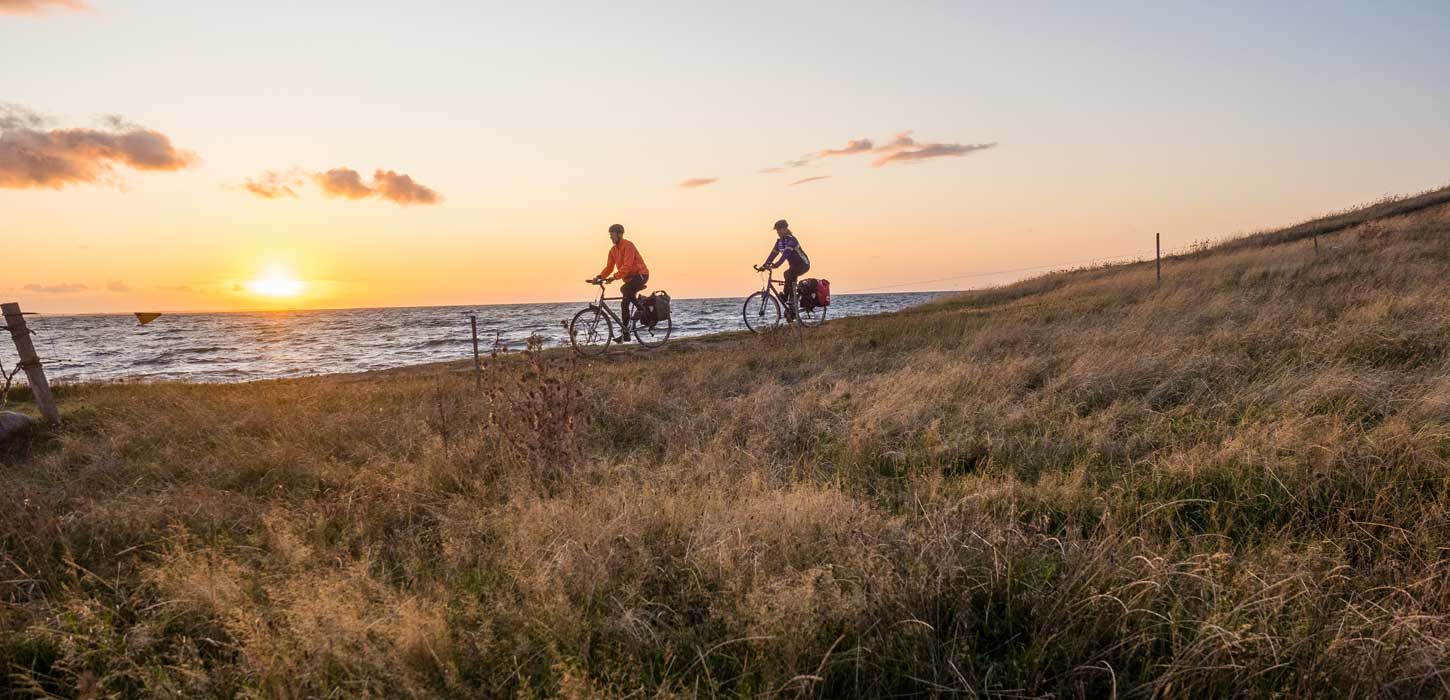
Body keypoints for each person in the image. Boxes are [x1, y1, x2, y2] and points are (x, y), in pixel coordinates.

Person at [592, 223, 650, 342]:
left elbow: (627, 266)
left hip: (641, 275)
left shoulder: (628, 245)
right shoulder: (613, 251)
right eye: (610, 235)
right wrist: (599, 277)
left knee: (624, 289)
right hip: (629, 279)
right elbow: (609, 267)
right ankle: (626, 334)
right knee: (624, 304)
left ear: (620, 234)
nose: (611, 237)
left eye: (612, 235)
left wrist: (615, 277)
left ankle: (641, 309)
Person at [756, 219, 810, 319]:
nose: (778, 232)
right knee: (790, 276)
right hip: (793, 266)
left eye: (780, 229)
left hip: (803, 264)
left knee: (787, 274)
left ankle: (787, 297)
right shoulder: (779, 243)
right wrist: (764, 266)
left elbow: (786, 254)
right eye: (777, 230)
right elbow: (772, 255)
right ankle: (792, 306)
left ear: (785, 229)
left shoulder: (791, 240)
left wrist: (777, 264)